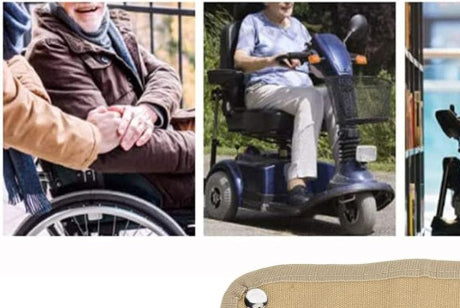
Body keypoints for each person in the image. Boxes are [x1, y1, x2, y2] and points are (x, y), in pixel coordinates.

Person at [25, 2, 194, 211]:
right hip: (140, 181)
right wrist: (191, 147)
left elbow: (164, 73)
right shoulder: (50, 50)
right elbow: (105, 149)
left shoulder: (110, 28)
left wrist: (148, 110)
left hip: (157, 156)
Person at [3, 3, 120, 212]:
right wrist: (92, 138)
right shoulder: (49, 44)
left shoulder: (116, 25)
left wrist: (150, 109)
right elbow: (10, 112)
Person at [234, 2, 337, 206]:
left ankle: (345, 170)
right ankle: (297, 181)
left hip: (299, 90)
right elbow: (239, 60)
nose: (288, 2)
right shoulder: (253, 22)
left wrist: (329, 62)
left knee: (336, 94)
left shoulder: (298, 27)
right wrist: (272, 60)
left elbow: (313, 64)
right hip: (264, 88)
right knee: (311, 96)